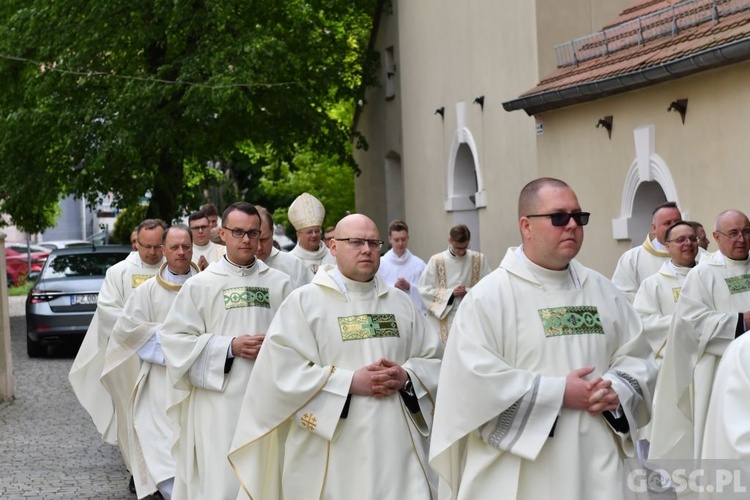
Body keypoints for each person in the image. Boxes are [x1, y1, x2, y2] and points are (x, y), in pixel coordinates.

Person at [429, 178, 655, 500]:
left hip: (600, 464)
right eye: (559, 217)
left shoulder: (602, 289)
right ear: (526, 226)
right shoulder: (488, 298)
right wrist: (559, 392)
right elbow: (471, 384)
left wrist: (616, 388)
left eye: (580, 217)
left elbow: (638, 356)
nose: (573, 226)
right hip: (521, 471)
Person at [228, 214, 442, 499]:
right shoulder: (304, 303)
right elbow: (279, 374)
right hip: (332, 452)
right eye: (355, 242)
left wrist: (406, 376)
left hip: (397, 451)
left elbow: (434, 360)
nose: (366, 249)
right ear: (333, 246)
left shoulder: (401, 304)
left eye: (373, 243)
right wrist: (349, 382)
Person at [161, 202, 292, 500]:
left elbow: (298, 340)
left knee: (266, 477)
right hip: (218, 404)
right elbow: (175, 340)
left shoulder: (281, 283)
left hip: (267, 399)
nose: (246, 239)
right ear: (222, 234)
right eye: (238, 232)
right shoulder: (201, 285)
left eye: (252, 233)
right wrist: (229, 347)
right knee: (222, 478)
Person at [102, 225, 199, 500]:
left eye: (186, 247)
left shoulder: (208, 285)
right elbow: (127, 329)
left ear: (192, 248)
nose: (181, 252)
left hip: (202, 379)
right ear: (165, 251)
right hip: (160, 381)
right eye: (174, 247)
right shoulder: (146, 291)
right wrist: (175, 343)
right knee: (162, 443)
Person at [69, 218, 166, 491]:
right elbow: (108, 312)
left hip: (166, 360)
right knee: (133, 418)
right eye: (146, 246)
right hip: (130, 359)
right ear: (136, 243)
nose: (152, 253)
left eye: (158, 246)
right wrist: (148, 332)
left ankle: (166, 475)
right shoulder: (119, 272)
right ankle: (138, 471)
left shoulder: (174, 270)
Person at [650, 209, 750, 461]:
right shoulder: (704, 274)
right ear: (717, 236)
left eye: (747, 232)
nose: (741, 239)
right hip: (719, 370)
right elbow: (691, 322)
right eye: (734, 233)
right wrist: (740, 322)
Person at [633, 221, 699, 366]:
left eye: (692, 239)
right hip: (675, 362)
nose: (688, 243)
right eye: (681, 240)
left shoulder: (710, 275)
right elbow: (643, 322)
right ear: (668, 247)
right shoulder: (652, 284)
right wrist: (689, 324)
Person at [418, 224, 491, 343]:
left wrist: (467, 291)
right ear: (450, 241)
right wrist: (450, 294)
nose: (461, 252)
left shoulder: (478, 259)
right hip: (445, 320)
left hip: (471, 317)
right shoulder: (437, 261)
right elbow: (423, 289)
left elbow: (489, 287)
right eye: (458, 248)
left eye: (465, 247)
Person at [612, 201, 682, 303]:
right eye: (667, 223)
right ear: (654, 228)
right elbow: (622, 295)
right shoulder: (632, 258)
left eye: (677, 222)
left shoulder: (699, 254)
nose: (673, 227)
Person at [255, 205, 313, 289]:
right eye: (255, 240)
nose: (259, 247)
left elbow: (310, 297)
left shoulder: (293, 265)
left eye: (264, 239)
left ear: (272, 231)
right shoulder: (235, 266)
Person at [378, 219, 427, 312]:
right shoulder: (380, 264)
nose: (400, 243)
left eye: (403, 239)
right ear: (390, 239)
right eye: (396, 240)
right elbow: (375, 291)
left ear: (408, 238)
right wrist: (394, 288)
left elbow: (427, 292)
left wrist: (409, 287)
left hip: (413, 313)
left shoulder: (419, 265)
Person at [288, 192, 335, 273]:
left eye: (317, 231)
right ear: (298, 235)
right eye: (309, 232)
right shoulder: (289, 259)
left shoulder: (333, 256)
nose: (314, 235)